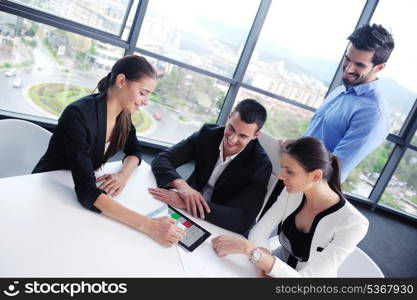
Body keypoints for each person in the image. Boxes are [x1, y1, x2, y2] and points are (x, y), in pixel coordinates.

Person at [33, 55, 185, 247]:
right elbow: (87, 193)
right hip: (49, 186)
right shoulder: (78, 114)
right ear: (121, 81)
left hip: (76, 189)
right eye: (143, 93)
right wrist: (149, 226)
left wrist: (122, 175)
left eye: (148, 95)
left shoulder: (124, 115)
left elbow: (134, 152)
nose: (145, 101)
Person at [212, 137, 369, 277]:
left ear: (315, 176)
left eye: (290, 171)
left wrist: (253, 252)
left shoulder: (354, 224)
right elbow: (259, 231)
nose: (280, 176)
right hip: (276, 266)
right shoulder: (294, 192)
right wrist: (264, 262)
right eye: (282, 167)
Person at [149, 99, 272, 234]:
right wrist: (183, 187)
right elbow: (162, 159)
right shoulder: (208, 134)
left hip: (219, 222)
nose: (232, 139)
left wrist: (190, 204)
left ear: (256, 135)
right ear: (229, 117)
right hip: (186, 207)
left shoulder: (261, 165)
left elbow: (243, 219)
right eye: (231, 128)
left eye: (242, 136)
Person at [304, 23, 395, 182]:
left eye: (359, 65)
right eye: (347, 59)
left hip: (313, 189)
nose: (348, 69)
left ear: (379, 67)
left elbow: (336, 169)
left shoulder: (373, 113)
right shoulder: (341, 90)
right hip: (294, 176)